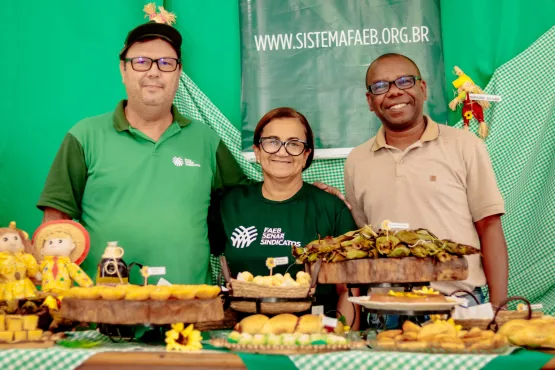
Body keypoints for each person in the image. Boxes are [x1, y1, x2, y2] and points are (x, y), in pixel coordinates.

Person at [37, 11, 346, 286]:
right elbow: (54, 225)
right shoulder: (85, 135)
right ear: (124, 69)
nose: (154, 72)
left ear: (178, 72)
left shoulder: (205, 140)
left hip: (191, 308)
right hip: (104, 306)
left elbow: (253, 200)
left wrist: (309, 195)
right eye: (142, 61)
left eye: (166, 63)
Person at [344, 53, 508, 311]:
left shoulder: (465, 146)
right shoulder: (356, 160)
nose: (394, 92)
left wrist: (498, 308)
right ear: (370, 101)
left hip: (457, 305)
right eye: (380, 86)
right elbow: (366, 237)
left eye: (404, 81)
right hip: (384, 309)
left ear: (422, 89)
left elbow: (489, 226)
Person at [213, 107, 360, 327]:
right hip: (243, 335)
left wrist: (340, 342)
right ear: (257, 151)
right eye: (272, 141)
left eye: (294, 144)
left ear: (306, 154)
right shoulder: (229, 204)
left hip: (315, 338)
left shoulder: (331, 208)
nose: (282, 152)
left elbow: (349, 293)